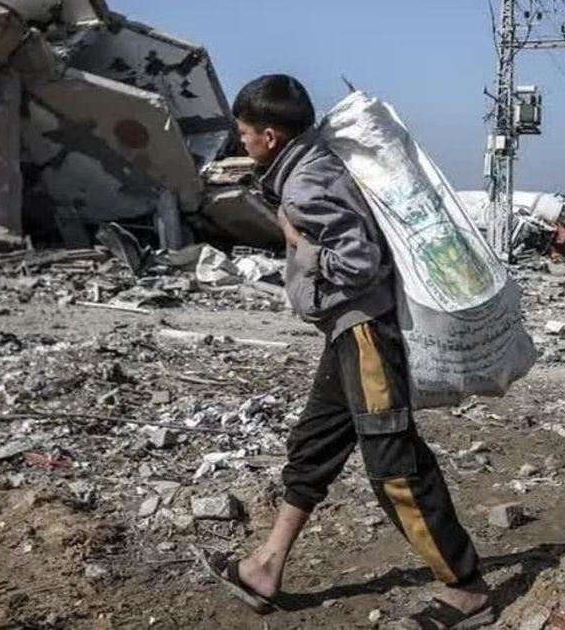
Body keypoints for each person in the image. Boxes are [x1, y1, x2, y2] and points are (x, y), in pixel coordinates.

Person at [198, 75, 491, 629]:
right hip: (346, 333)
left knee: (394, 464)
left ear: (269, 136)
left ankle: (468, 589)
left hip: (365, 334)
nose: (240, 144)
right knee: (314, 444)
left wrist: (298, 244)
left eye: (243, 134)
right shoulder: (306, 165)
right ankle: (265, 566)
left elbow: (357, 263)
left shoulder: (306, 184)